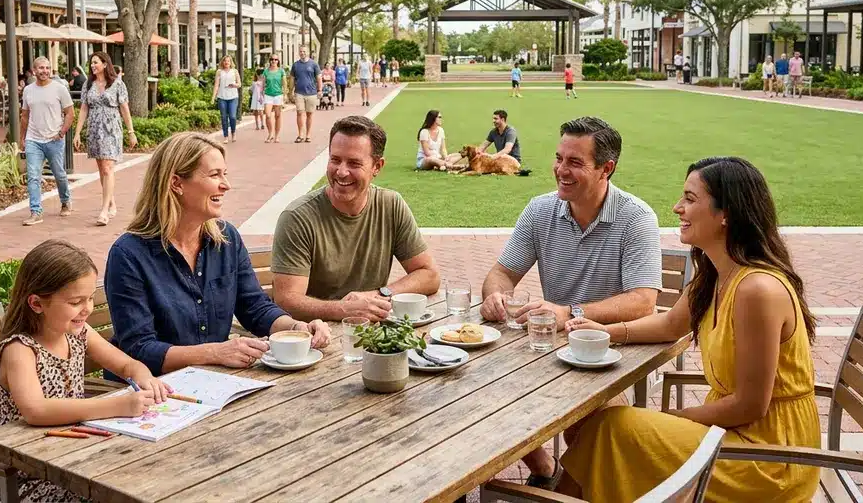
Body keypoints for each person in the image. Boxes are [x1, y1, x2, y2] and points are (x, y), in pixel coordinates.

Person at [557, 156, 820, 503]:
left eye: (690, 199)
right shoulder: (716, 274)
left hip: (767, 458)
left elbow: (749, 406)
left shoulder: (757, 289)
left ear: (726, 214)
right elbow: (670, 324)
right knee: (605, 427)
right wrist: (606, 331)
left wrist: (674, 419)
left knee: (613, 428)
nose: (677, 207)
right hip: (730, 433)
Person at [479, 116, 661, 487]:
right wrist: (496, 295)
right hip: (550, 346)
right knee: (481, 386)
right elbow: (501, 274)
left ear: (606, 169)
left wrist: (570, 312)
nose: (561, 170)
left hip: (613, 349)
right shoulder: (540, 210)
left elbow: (643, 302)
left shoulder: (636, 218)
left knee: (592, 424)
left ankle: (580, 489)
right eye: (559, 158)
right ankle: (545, 469)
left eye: (575, 162)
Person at [103, 132, 332, 375]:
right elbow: (139, 349)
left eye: (225, 174)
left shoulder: (226, 239)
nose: (226, 185)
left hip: (215, 382)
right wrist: (215, 353)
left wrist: (296, 328)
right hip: (153, 389)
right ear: (176, 183)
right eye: (214, 175)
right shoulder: (128, 255)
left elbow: (255, 307)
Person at [0, 239, 170, 503]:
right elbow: (36, 410)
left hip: (68, 460)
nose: (87, 308)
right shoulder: (20, 350)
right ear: (37, 303)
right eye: (76, 301)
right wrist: (118, 405)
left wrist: (143, 376)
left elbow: (126, 364)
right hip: (24, 477)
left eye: (90, 298)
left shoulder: (79, 334)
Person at [271, 116, 441, 322]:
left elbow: (429, 275)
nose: (341, 172)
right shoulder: (298, 218)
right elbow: (286, 300)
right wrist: (343, 309)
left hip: (371, 331)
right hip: (315, 334)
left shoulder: (390, 205)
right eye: (335, 160)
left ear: (377, 166)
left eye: (354, 163)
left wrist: (380, 295)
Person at [74, 51, 135, 227]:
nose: (93, 66)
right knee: (102, 169)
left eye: (96, 62)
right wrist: (77, 132)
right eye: (91, 63)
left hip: (111, 129)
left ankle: (103, 210)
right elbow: (84, 108)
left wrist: (131, 131)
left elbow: (124, 108)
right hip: (94, 129)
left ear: (105, 64)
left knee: (108, 168)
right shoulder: (88, 84)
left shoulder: (117, 84)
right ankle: (111, 202)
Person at [21, 56, 74, 226]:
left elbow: (70, 113)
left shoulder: (59, 89)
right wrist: (22, 137)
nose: (44, 71)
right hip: (33, 139)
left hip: (54, 139)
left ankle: (65, 201)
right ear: (34, 70)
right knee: (33, 176)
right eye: (41, 68)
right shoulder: (28, 90)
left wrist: (61, 132)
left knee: (59, 174)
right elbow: (24, 115)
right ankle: (36, 211)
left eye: (47, 68)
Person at [290, 46, 319, 143]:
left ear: (308, 52)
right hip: (299, 93)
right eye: (301, 51)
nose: (302, 53)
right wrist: (290, 91)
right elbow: (292, 79)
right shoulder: (295, 65)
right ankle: (300, 134)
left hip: (311, 93)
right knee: (299, 113)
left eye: (304, 51)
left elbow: (318, 77)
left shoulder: (314, 64)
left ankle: (308, 135)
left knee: (309, 114)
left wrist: (320, 90)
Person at [213, 55, 241, 143]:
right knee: (224, 117)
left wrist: (234, 85)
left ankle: (233, 132)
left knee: (232, 116)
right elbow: (216, 85)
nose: (226, 62)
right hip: (222, 97)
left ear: (230, 62)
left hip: (233, 97)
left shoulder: (235, 71)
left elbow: (239, 84)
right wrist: (213, 97)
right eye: (225, 61)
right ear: (223, 62)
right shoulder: (219, 72)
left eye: (228, 61)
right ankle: (225, 136)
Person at [262, 57, 285, 143]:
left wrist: (285, 94)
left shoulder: (281, 71)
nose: (274, 61)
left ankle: (276, 135)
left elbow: (284, 83)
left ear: (278, 61)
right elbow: (263, 83)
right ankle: (270, 133)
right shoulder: (266, 71)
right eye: (272, 59)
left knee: (277, 116)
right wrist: (261, 93)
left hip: (278, 95)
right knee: (268, 115)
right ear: (270, 61)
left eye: (275, 59)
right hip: (268, 95)